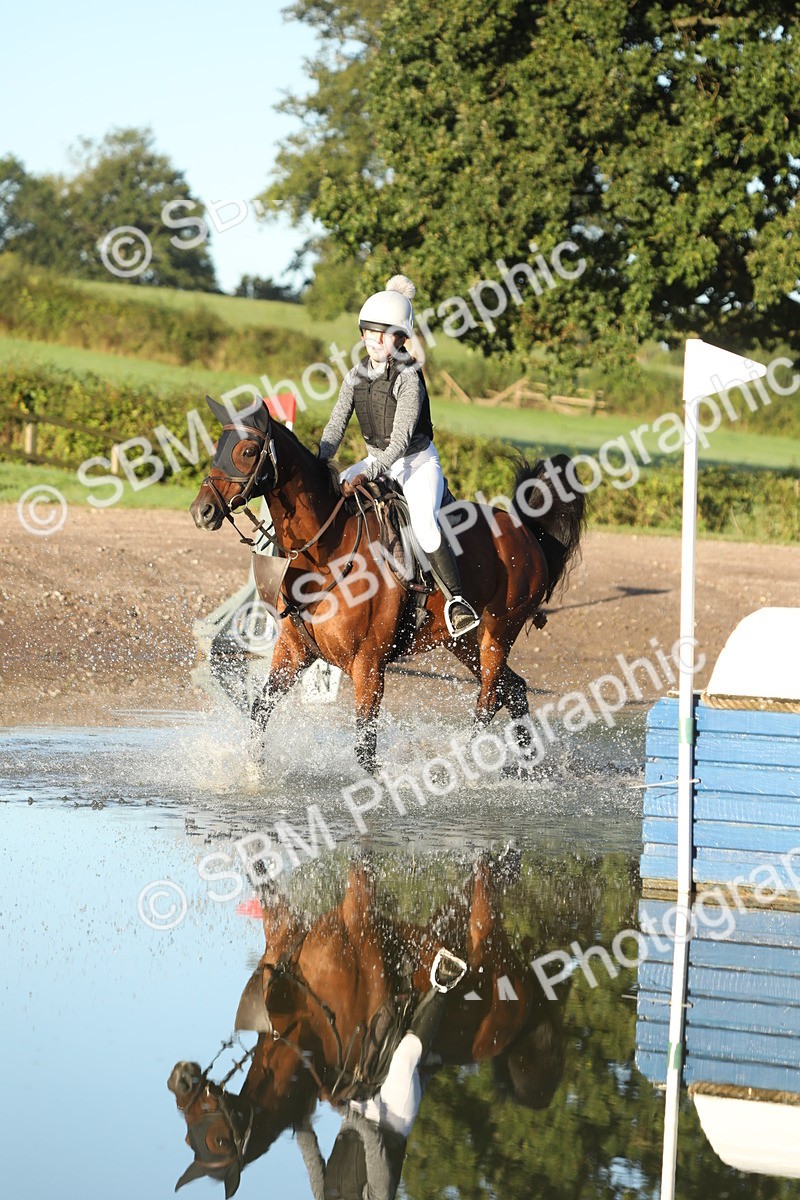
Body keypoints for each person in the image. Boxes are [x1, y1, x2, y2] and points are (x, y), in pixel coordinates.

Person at [318, 275, 480, 639]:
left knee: (423, 525)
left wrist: (367, 469)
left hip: (416, 465)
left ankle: (457, 602)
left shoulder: (409, 376)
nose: (376, 340)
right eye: (371, 331)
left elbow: (400, 441)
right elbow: (335, 425)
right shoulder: (355, 375)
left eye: (385, 333)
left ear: (401, 339)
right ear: (362, 334)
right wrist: (320, 458)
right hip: (376, 460)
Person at [296, 949, 467, 1200]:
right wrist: (343, 1111)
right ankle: (443, 984)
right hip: (392, 1120)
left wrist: (296, 1117)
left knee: (344, 1052)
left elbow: (310, 1154)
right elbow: (373, 1140)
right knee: (404, 1058)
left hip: (356, 1110)